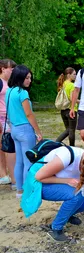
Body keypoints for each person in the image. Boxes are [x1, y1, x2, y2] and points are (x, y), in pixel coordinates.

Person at [34, 149, 84, 241]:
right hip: (38, 185)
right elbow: (38, 177)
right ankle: (55, 228)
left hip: (53, 182)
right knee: (76, 195)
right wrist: (66, 181)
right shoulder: (66, 157)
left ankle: (66, 216)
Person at [6, 65, 42, 198]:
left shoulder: (9, 91)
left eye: (30, 78)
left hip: (14, 129)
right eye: (27, 78)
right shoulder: (22, 93)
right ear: (20, 77)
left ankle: (19, 190)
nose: (29, 81)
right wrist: (38, 132)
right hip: (25, 129)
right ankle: (28, 190)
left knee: (19, 161)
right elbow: (29, 114)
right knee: (28, 161)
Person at [0, 59, 16, 188]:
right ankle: (4, 174)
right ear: (3, 68)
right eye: (11, 68)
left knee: (6, 146)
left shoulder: (10, 83)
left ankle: (8, 174)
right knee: (4, 146)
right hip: (1, 118)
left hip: (10, 117)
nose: (12, 71)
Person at [55, 67, 77, 146]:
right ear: (68, 75)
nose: (76, 76)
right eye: (74, 74)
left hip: (63, 110)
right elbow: (72, 99)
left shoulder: (62, 83)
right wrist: (80, 101)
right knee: (71, 130)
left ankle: (57, 142)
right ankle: (71, 147)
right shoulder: (72, 85)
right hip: (71, 109)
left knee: (68, 129)